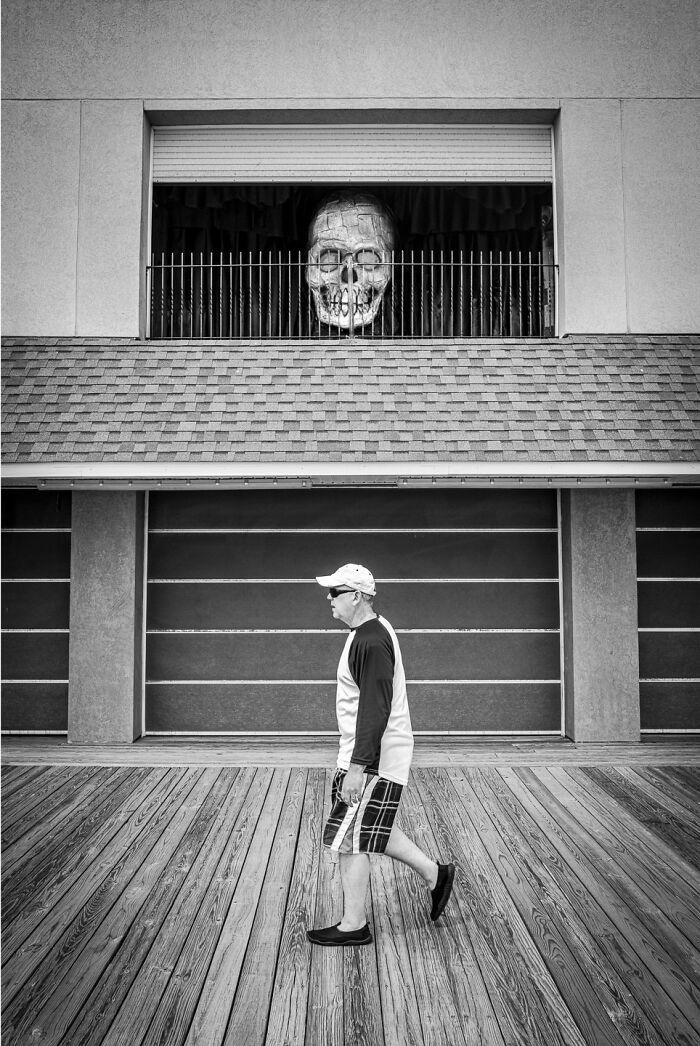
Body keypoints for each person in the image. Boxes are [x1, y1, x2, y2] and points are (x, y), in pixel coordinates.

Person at [307, 563, 455, 947]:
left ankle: (353, 925)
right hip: (374, 756)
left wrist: (357, 768)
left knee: (347, 839)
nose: (329, 599)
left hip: (371, 761)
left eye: (335, 592)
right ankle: (435, 875)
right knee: (369, 828)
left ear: (356, 596)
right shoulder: (371, 631)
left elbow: (376, 708)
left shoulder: (370, 641)